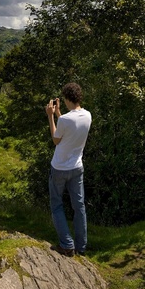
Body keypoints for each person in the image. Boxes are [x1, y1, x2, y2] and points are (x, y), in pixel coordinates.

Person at [45, 82, 92, 257]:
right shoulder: (87, 115)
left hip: (59, 168)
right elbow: (71, 127)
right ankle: (81, 246)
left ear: (66, 98)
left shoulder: (64, 120)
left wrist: (51, 116)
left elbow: (56, 139)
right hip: (77, 167)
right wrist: (59, 114)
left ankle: (67, 244)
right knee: (78, 206)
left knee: (57, 205)